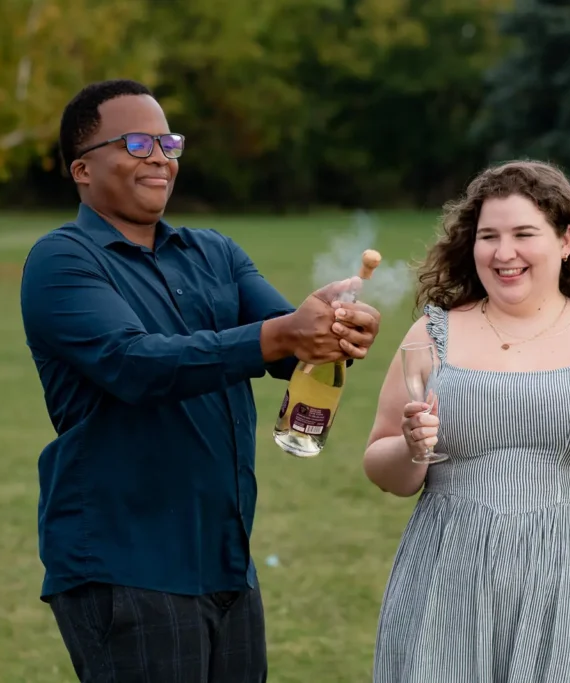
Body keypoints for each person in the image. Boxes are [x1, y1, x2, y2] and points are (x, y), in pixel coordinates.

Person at [19, 79, 381, 683]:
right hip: (127, 561)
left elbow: (289, 352)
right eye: (137, 142)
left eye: (169, 142)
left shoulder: (215, 253)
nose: (160, 156)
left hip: (225, 558)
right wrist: (286, 334)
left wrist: (332, 331)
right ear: (83, 169)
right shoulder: (62, 260)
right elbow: (135, 364)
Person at [362, 160, 570, 682]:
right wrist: (411, 449)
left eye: (523, 234)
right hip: (446, 577)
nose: (503, 253)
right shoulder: (431, 333)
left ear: (565, 240)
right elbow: (382, 468)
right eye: (488, 236)